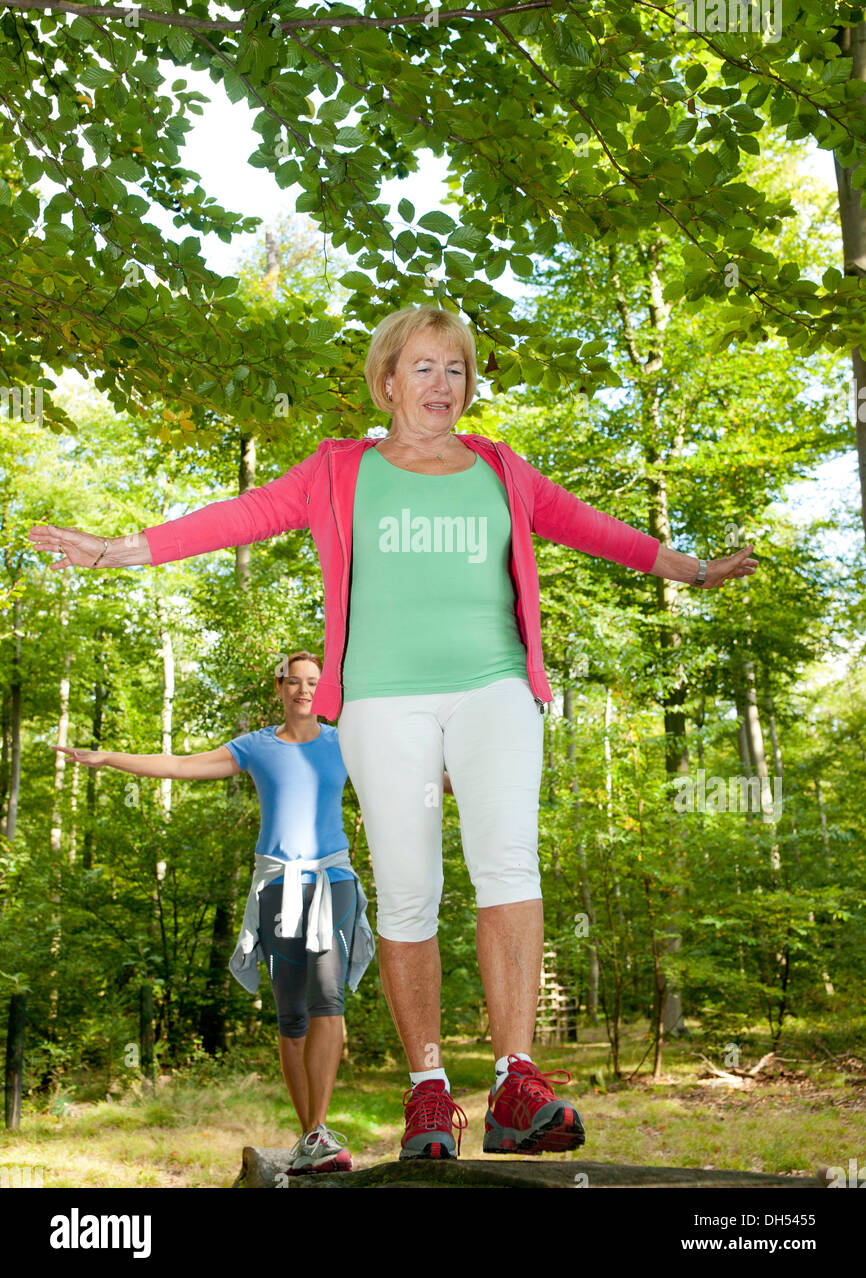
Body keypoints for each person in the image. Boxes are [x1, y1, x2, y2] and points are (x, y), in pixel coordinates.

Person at [30, 303, 757, 1160]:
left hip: (495, 690)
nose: (441, 385)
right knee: (409, 888)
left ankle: (517, 1084)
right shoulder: (339, 471)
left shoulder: (502, 471)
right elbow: (236, 516)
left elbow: (590, 527)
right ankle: (428, 1093)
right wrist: (122, 549)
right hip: (381, 701)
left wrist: (695, 569)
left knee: (508, 863)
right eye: (423, 367)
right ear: (387, 380)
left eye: (455, 370)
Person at [54, 650, 374, 1176]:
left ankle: (319, 1130)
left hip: (332, 880)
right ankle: (307, 1136)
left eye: (313, 682)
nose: (302, 690)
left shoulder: (345, 743)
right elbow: (181, 766)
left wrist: (463, 782)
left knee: (329, 995)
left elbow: (404, 775)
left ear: (326, 688)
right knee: (291, 1014)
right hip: (277, 885)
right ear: (278, 689)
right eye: (293, 682)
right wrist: (109, 757)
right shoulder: (257, 746)